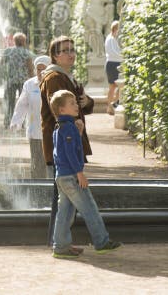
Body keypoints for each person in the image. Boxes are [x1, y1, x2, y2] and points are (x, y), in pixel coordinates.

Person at [49, 89, 121, 258]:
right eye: (72, 103)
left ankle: (60, 246)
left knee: (65, 213)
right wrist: (79, 173)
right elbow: (70, 154)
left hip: (61, 176)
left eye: (75, 102)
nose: (76, 105)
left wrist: (79, 132)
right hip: (71, 176)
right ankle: (102, 242)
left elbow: (63, 150)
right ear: (61, 110)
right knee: (89, 208)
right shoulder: (68, 127)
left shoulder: (60, 127)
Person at [39, 35, 94, 246]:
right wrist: (73, 131)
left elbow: (80, 105)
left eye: (73, 50)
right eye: (66, 51)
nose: (71, 54)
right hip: (63, 145)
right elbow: (59, 112)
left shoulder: (67, 77)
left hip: (69, 142)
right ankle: (57, 242)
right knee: (62, 198)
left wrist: (87, 102)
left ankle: (60, 242)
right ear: (55, 55)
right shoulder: (54, 77)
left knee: (65, 199)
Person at [9, 55, 52, 178]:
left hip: (52, 130)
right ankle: (37, 189)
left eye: (44, 68)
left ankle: (53, 190)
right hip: (35, 130)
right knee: (37, 163)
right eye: (38, 69)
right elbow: (22, 104)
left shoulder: (54, 82)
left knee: (51, 163)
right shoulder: (29, 84)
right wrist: (16, 122)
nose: (41, 72)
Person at [0, 32, 34, 129]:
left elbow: (1, 63)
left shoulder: (8, 52)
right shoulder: (26, 53)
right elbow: (30, 68)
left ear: (14, 41)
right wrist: (32, 81)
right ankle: (21, 123)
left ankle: (7, 122)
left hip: (11, 80)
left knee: (9, 102)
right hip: (23, 82)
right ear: (23, 42)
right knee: (22, 102)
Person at [104, 20, 122, 115]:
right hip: (112, 64)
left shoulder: (115, 38)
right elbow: (113, 52)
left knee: (119, 86)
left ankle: (114, 104)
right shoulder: (110, 39)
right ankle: (110, 106)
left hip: (117, 63)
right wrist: (123, 56)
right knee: (112, 86)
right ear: (115, 29)